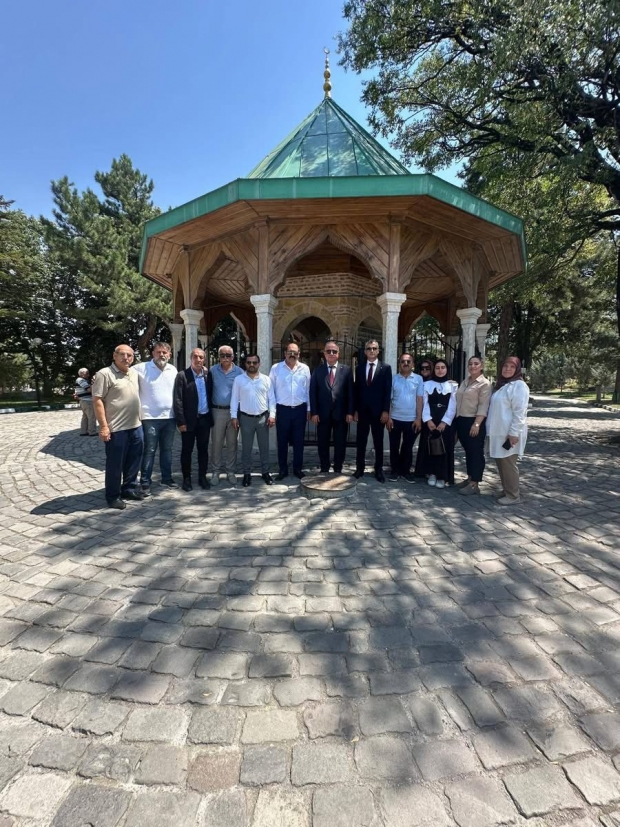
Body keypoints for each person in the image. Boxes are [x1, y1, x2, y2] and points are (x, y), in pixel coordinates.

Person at [92, 345, 144, 510]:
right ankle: (113, 496)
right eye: (122, 354)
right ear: (114, 356)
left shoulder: (133, 373)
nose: (126, 358)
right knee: (115, 465)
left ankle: (129, 489)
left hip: (136, 426)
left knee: (134, 461)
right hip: (116, 428)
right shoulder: (104, 374)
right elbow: (97, 400)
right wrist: (104, 427)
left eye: (130, 355)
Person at [133, 341, 178, 494]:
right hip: (149, 417)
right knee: (149, 450)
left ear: (169, 354)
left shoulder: (173, 370)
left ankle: (167, 478)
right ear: (153, 353)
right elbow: (124, 374)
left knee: (167, 450)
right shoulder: (140, 368)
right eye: (158, 352)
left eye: (165, 352)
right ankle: (145, 482)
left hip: (170, 417)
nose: (161, 355)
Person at [487, 356, 529, 504]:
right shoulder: (502, 385)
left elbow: (520, 412)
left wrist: (514, 433)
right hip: (499, 431)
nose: (508, 369)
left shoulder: (519, 386)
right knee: (501, 462)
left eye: (512, 367)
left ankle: (513, 495)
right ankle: (507, 490)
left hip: (509, 433)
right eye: (505, 366)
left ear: (517, 370)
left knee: (508, 464)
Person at [230, 354, 275, 487]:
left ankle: (265, 472)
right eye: (249, 362)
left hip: (263, 418)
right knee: (246, 448)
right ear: (245, 364)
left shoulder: (266, 379)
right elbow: (234, 398)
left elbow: (272, 399)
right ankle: (246, 474)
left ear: (259, 364)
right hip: (245, 419)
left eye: (254, 362)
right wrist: (234, 416)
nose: (251, 365)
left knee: (264, 448)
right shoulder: (239, 380)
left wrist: (272, 415)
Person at [309, 341, 354, 474]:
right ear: (324, 353)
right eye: (328, 351)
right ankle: (324, 467)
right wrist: (314, 412)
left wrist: (350, 412)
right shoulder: (318, 371)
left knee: (340, 443)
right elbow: (313, 393)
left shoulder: (346, 370)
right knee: (323, 442)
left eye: (334, 351)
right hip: (322, 414)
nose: (331, 353)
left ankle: (338, 467)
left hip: (341, 414)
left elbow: (351, 393)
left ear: (338, 354)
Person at [269, 342, 310, 480]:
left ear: (299, 354)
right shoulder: (276, 368)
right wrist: (272, 412)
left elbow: (308, 390)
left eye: (295, 353)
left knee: (299, 441)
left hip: (300, 410)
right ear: (285, 353)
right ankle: (283, 469)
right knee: (282, 441)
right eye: (290, 352)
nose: (292, 355)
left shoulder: (305, 368)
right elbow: (271, 392)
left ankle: (298, 469)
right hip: (283, 410)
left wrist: (309, 409)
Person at [173, 348, 212, 492]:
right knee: (186, 451)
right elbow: (177, 399)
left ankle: (202, 477)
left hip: (204, 419)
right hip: (188, 421)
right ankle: (186, 479)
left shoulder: (207, 375)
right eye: (195, 356)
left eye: (201, 357)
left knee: (203, 450)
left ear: (204, 360)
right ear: (191, 358)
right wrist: (181, 421)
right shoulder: (182, 375)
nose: (198, 359)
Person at [353, 340, 392, 483]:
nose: (371, 351)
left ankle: (379, 469)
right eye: (369, 348)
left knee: (378, 442)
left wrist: (385, 411)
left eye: (374, 348)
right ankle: (359, 468)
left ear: (378, 351)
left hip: (378, 412)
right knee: (361, 441)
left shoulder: (385, 368)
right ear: (365, 351)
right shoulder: (359, 368)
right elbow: (357, 390)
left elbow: (387, 391)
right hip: (363, 411)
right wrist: (355, 410)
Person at [454, 356, 492, 496]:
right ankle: (470, 478)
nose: (473, 366)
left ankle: (475, 484)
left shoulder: (484, 384)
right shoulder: (465, 381)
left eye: (476, 364)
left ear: (481, 366)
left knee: (476, 453)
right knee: (468, 452)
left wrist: (477, 424)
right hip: (461, 420)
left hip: (474, 421)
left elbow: (483, 405)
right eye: (470, 364)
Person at [207, 345, 244, 486]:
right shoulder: (213, 371)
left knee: (232, 443)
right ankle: (216, 472)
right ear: (219, 357)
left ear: (233, 356)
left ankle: (231, 471)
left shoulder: (239, 372)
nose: (225, 358)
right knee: (216, 443)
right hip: (217, 411)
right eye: (222, 355)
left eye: (228, 355)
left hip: (234, 412)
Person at [387, 353, 424, 482]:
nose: (406, 363)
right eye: (403, 361)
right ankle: (394, 471)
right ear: (399, 364)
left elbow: (419, 399)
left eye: (408, 361)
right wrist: (389, 417)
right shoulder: (393, 379)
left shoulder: (418, 379)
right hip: (395, 418)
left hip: (412, 419)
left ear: (413, 364)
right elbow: (389, 400)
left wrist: (418, 418)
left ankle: (405, 471)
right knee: (394, 446)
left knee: (408, 447)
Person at [421, 359, 457, 488]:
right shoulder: (427, 384)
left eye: (443, 367)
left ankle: (442, 476)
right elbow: (424, 403)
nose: (440, 370)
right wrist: (428, 420)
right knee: (431, 447)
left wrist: (445, 422)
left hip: (445, 421)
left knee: (444, 448)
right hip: (431, 419)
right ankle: (432, 473)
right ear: (434, 370)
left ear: (447, 369)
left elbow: (453, 405)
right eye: (437, 368)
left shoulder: (453, 385)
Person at [413, 359, 435, 478]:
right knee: (411, 442)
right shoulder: (417, 380)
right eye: (422, 368)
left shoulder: (435, 382)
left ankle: (427, 470)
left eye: (427, 368)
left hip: (429, 417)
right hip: (416, 416)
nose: (425, 370)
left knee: (427, 444)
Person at [74, 368, 97, 436]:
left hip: (83, 401)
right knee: (92, 416)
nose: (88, 375)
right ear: (81, 374)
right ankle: (92, 432)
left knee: (85, 417)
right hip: (87, 401)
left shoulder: (80, 380)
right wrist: (94, 383)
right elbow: (89, 389)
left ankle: (83, 431)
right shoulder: (81, 380)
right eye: (86, 373)